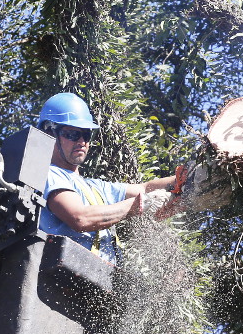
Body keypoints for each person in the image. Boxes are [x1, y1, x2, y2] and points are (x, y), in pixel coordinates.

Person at [36, 93, 176, 262]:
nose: (82, 142)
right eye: (73, 134)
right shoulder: (49, 174)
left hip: (99, 274)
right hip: (64, 273)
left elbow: (144, 189)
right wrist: (138, 204)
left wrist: (187, 175)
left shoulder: (95, 188)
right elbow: (80, 218)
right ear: (50, 134)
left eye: (86, 135)